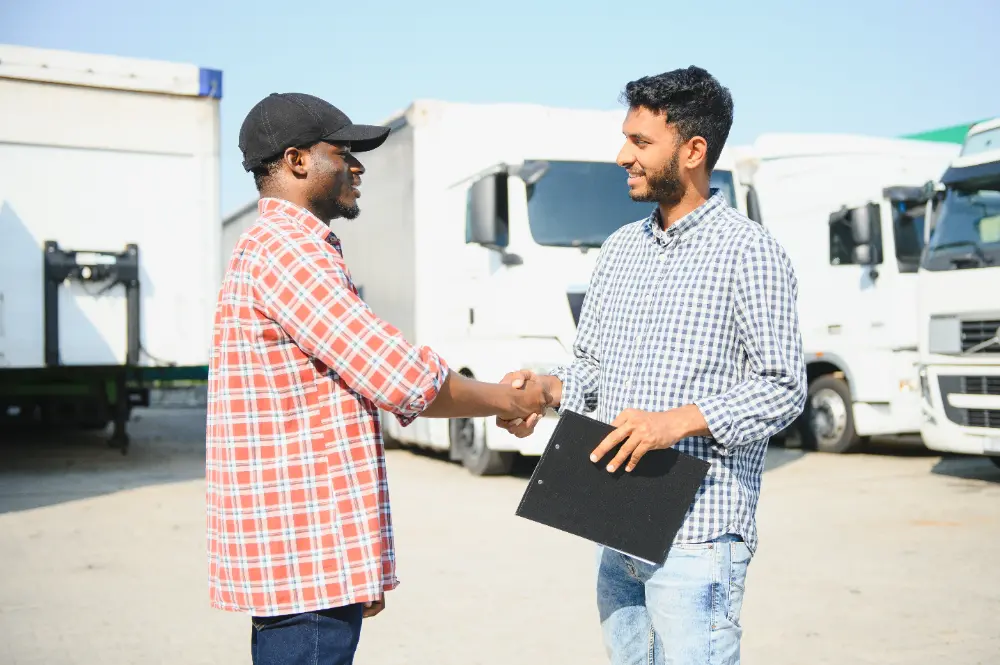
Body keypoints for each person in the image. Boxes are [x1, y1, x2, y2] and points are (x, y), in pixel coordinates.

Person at [206, 92, 551, 665]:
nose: (357, 167)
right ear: (297, 161)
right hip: (307, 565)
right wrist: (510, 399)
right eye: (343, 153)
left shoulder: (270, 248)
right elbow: (400, 377)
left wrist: (356, 566)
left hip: (310, 562)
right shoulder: (289, 252)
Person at [498, 67, 806, 664]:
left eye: (640, 142)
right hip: (616, 523)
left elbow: (783, 388)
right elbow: (592, 367)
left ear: (693, 151)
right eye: (625, 139)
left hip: (699, 535)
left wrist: (672, 424)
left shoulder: (750, 251)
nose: (623, 157)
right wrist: (546, 390)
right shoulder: (619, 249)